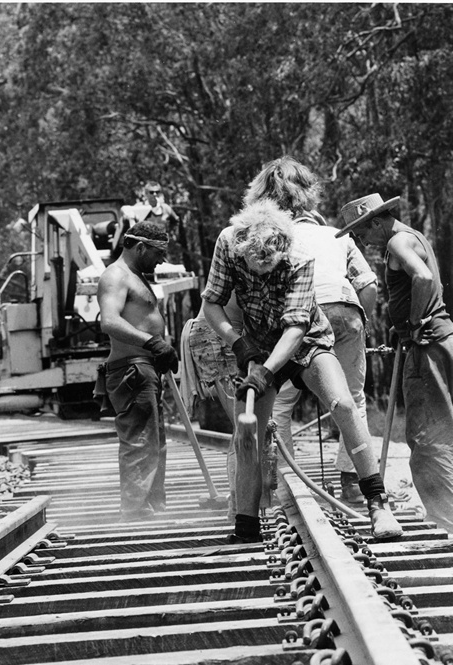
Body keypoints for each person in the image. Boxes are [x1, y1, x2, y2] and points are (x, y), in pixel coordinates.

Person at [202, 192, 403, 543]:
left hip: (307, 340)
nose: (263, 273)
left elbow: (295, 328)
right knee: (249, 432)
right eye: (255, 267)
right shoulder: (227, 242)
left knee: (343, 403)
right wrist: (239, 343)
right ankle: (246, 525)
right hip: (257, 342)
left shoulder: (299, 255)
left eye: (270, 267)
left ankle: (377, 504)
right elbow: (212, 304)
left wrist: (265, 372)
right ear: (242, 248)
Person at [253, 157, 378, 504]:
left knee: (279, 404)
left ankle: (281, 482)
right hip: (345, 309)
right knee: (351, 399)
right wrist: (361, 322)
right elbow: (368, 285)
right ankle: (353, 481)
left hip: (298, 318)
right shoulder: (336, 235)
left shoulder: (273, 237)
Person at [335, 193, 453, 526]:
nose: (362, 241)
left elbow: (424, 278)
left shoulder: (398, 241)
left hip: (426, 346)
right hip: (433, 341)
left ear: (376, 222)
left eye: (362, 233)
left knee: (427, 437)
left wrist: (414, 322)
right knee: (438, 430)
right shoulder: (413, 236)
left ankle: (446, 519)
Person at [97, 222, 178, 521]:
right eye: (158, 253)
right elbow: (109, 321)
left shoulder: (135, 276)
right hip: (132, 370)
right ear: (140, 247)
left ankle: (152, 508)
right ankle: (134, 513)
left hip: (145, 369)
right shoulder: (115, 276)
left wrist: (158, 351)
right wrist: (153, 343)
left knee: (153, 444)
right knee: (140, 444)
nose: (161, 260)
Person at [181, 292, 243, 522]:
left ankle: (242, 501)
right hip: (217, 337)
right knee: (244, 426)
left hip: (219, 334)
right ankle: (239, 505)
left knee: (247, 424)